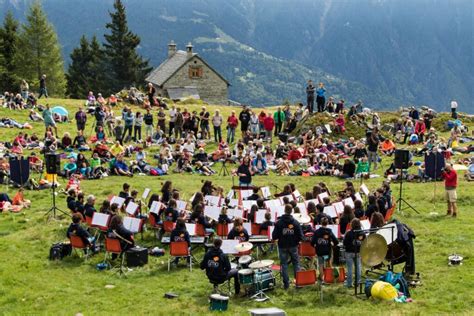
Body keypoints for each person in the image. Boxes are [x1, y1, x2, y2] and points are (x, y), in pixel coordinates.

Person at [272, 204, 304, 289]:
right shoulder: (296, 223)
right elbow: (301, 236)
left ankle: (286, 284)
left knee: (284, 264)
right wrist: (296, 241)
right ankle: (298, 283)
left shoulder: (279, 223)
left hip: (282, 246)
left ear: (284, 210)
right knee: (296, 263)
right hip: (293, 246)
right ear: (292, 211)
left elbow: (274, 236)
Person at [343, 218, 366, 288]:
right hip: (358, 252)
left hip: (349, 252)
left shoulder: (348, 233)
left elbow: (344, 243)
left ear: (352, 224)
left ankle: (349, 283)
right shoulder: (362, 233)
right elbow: (365, 242)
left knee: (349, 268)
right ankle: (357, 283)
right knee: (358, 267)